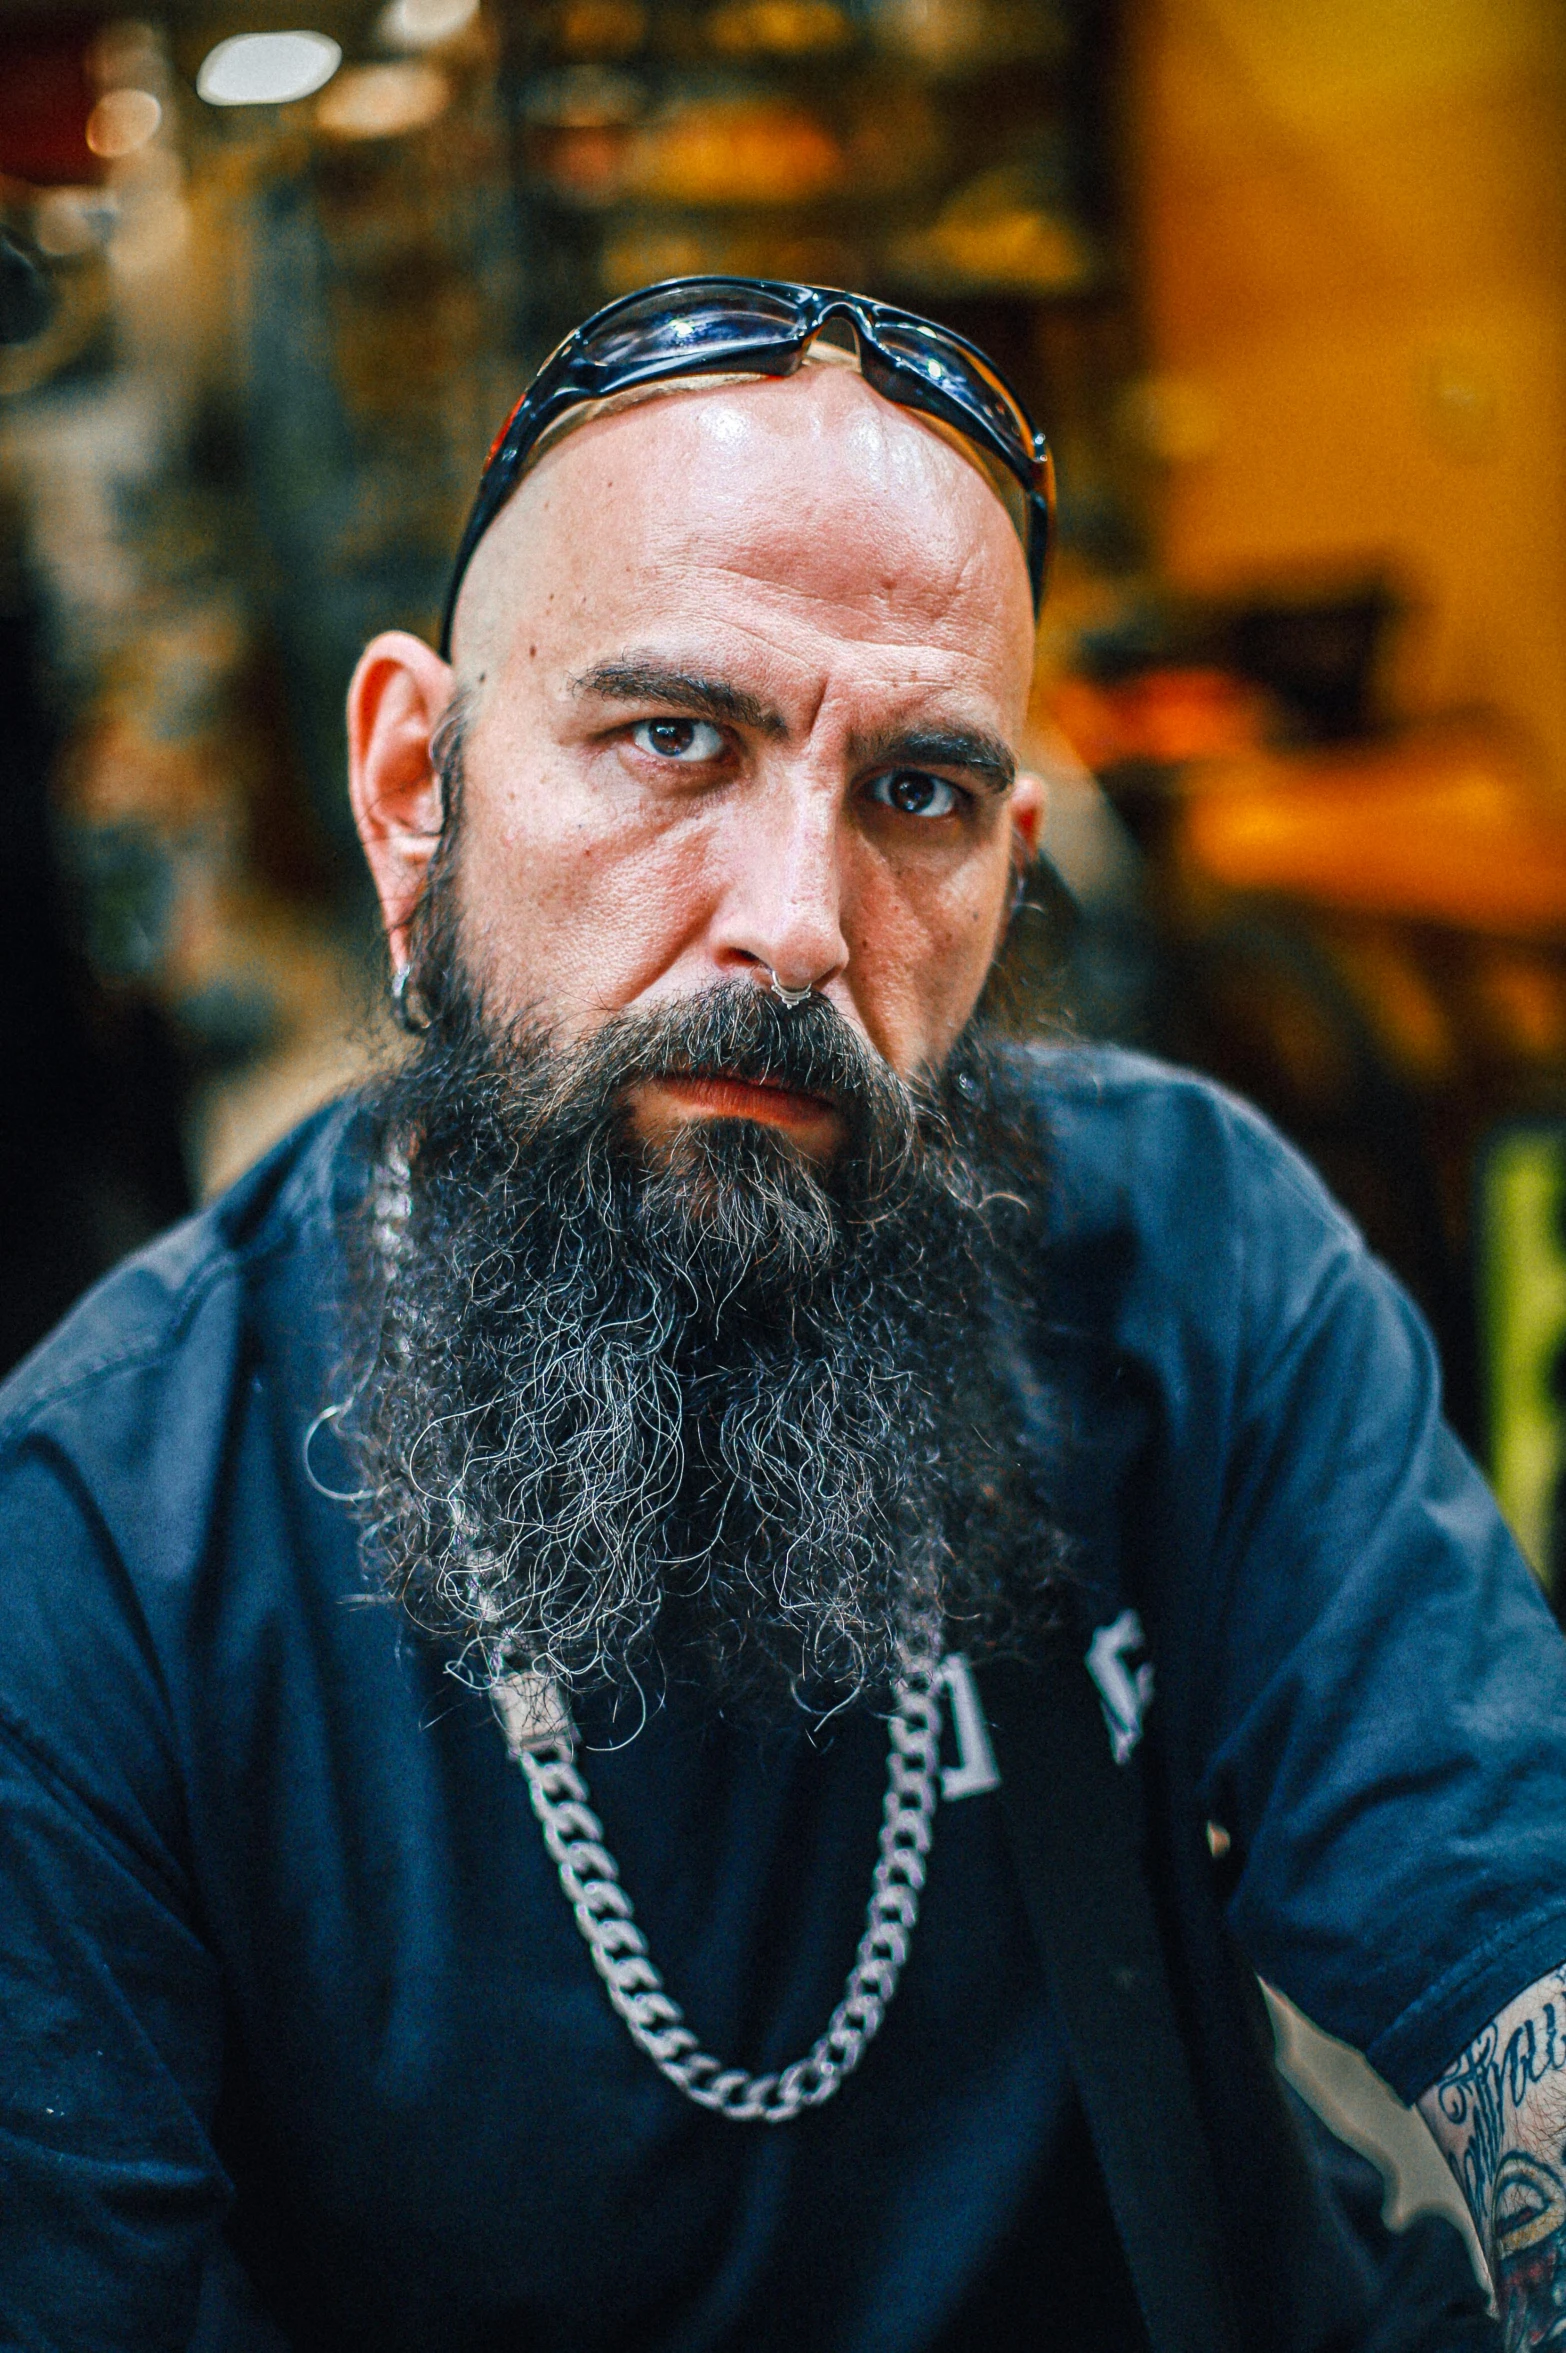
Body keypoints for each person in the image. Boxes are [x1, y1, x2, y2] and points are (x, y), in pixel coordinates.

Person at [1, 278, 1563, 2353]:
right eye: (673, 738)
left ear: (1014, 864)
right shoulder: (102, 1544)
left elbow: (1505, 1904)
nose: (802, 923)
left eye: (917, 792)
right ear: (413, 789)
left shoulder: (1180, 1259)